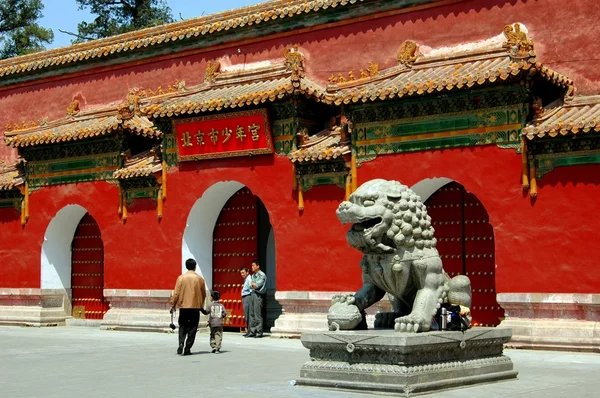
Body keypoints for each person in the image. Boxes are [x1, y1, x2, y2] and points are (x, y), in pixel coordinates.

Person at [169, 258, 207, 356]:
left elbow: (176, 293)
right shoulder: (200, 279)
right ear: (195, 267)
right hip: (195, 307)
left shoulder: (181, 278)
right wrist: (200, 304)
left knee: (183, 326)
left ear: (186, 266)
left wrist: (173, 305)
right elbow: (204, 294)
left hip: (183, 307)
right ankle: (187, 348)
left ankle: (181, 342)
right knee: (193, 328)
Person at [248, 260, 267, 338]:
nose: (252, 267)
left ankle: (259, 331)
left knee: (257, 314)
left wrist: (253, 285)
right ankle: (252, 331)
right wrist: (253, 285)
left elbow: (257, 285)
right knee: (251, 313)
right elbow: (250, 285)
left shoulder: (262, 275)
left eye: (253, 265)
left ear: (258, 266)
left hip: (258, 295)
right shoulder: (253, 275)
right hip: (252, 293)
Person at [239, 267, 252, 337]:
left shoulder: (249, 279)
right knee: (247, 314)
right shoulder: (246, 279)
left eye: (243, 272)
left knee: (248, 315)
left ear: (247, 272)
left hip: (248, 297)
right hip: (246, 297)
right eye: (241, 273)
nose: (242, 274)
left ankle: (250, 331)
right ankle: (249, 330)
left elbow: (251, 289)